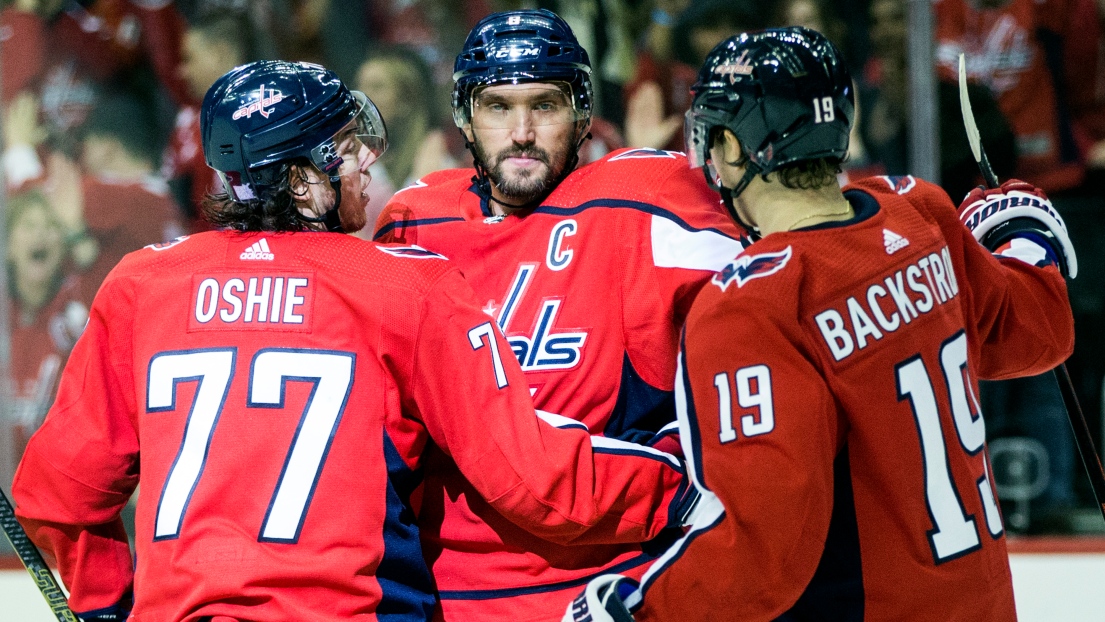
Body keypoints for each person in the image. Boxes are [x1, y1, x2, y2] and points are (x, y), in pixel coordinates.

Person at [11, 60, 696, 622]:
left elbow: (59, 497)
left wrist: (108, 606)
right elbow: (533, 478)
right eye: (343, 148)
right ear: (304, 178)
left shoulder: (144, 285)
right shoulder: (406, 287)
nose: (366, 159)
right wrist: (678, 487)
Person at [565, 27, 1077, 622]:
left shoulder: (753, 302)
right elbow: (1037, 332)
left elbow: (763, 554)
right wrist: (1026, 242)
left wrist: (641, 609)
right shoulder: (918, 215)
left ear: (735, 148)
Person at [373, 9, 744, 622]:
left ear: (581, 113)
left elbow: (776, 309)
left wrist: (689, 482)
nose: (522, 131)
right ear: (465, 116)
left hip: (609, 585)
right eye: (498, 106)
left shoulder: (646, 200)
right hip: (450, 592)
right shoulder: (415, 220)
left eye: (544, 105)